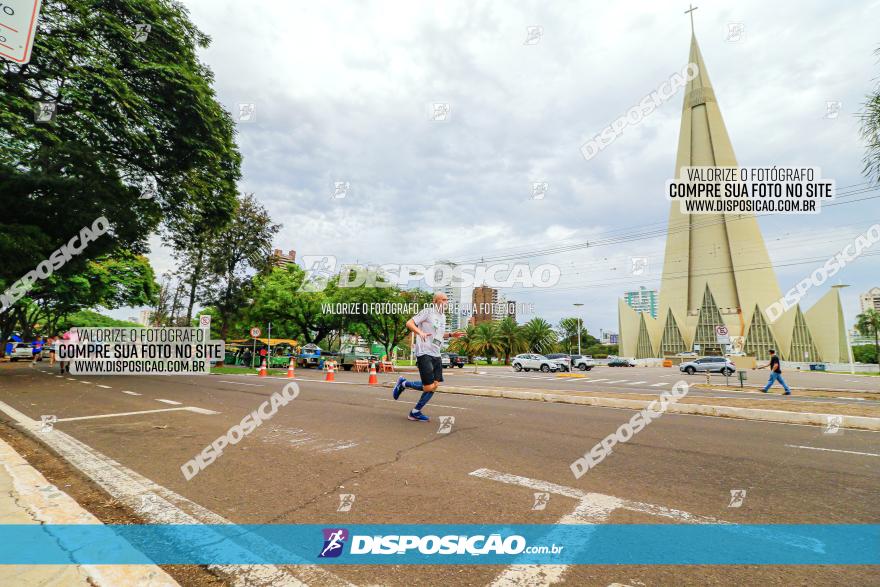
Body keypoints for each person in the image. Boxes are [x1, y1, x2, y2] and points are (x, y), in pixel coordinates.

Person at [392, 293, 449, 421]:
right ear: (435, 301)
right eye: (443, 300)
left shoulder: (443, 317)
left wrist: (451, 335)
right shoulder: (428, 312)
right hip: (424, 352)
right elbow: (409, 323)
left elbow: (438, 334)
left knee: (435, 385)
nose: (446, 302)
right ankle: (403, 384)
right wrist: (420, 332)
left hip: (436, 353)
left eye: (447, 300)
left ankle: (415, 412)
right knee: (428, 386)